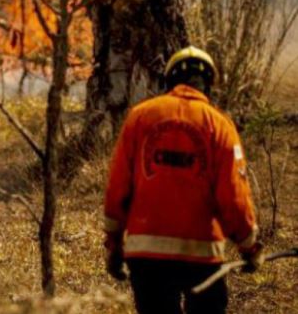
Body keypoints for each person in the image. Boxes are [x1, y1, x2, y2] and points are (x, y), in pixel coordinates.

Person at [103, 46, 263, 314]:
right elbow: (233, 196)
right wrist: (249, 247)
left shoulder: (139, 117)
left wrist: (113, 246)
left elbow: (118, 188)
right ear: (208, 84)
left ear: (169, 81)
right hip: (202, 258)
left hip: (146, 257)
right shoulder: (220, 125)